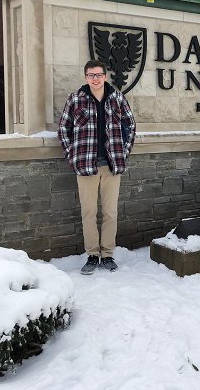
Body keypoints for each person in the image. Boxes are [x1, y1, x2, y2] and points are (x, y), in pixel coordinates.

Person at [58, 60, 136, 275]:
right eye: (91, 75)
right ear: (86, 77)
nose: (95, 78)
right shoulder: (76, 99)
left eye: (99, 74)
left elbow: (130, 126)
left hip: (112, 166)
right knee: (89, 213)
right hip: (85, 166)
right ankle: (93, 255)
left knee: (110, 213)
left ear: (105, 76)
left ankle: (108, 255)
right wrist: (72, 156)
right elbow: (64, 129)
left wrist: (123, 152)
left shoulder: (117, 98)